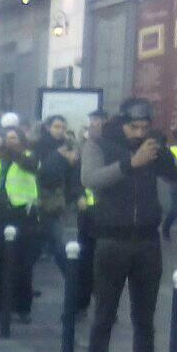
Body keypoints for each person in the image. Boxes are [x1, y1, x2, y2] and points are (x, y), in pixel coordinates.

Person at [73, 99, 177, 352]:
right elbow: (91, 179)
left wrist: (168, 165)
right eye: (134, 127)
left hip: (147, 242)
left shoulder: (153, 149)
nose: (139, 133)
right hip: (111, 239)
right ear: (121, 123)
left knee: (144, 321)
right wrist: (131, 164)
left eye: (144, 127)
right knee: (103, 318)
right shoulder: (99, 145)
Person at [0, 126, 40, 323]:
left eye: (14, 137)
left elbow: (31, 166)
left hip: (23, 213)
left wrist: (14, 150)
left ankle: (23, 307)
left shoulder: (27, 156)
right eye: (7, 138)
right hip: (0, 212)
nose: (10, 141)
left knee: (23, 263)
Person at [72, 109, 110, 314]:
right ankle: (81, 301)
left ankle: (105, 305)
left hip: (107, 213)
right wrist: (78, 195)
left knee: (105, 263)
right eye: (92, 120)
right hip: (87, 213)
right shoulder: (84, 147)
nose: (94, 123)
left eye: (98, 120)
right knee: (84, 259)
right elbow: (75, 177)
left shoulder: (112, 146)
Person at [35, 114, 81, 280]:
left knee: (51, 242)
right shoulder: (40, 146)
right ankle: (72, 280)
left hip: (56, 201)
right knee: (54, 243)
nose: (60, 131)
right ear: (48, 128)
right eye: (56, 127)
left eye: (62, 127)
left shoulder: (66, 147)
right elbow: (42, 172)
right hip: (40, 199)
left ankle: (72, 282)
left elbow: (71, 174)